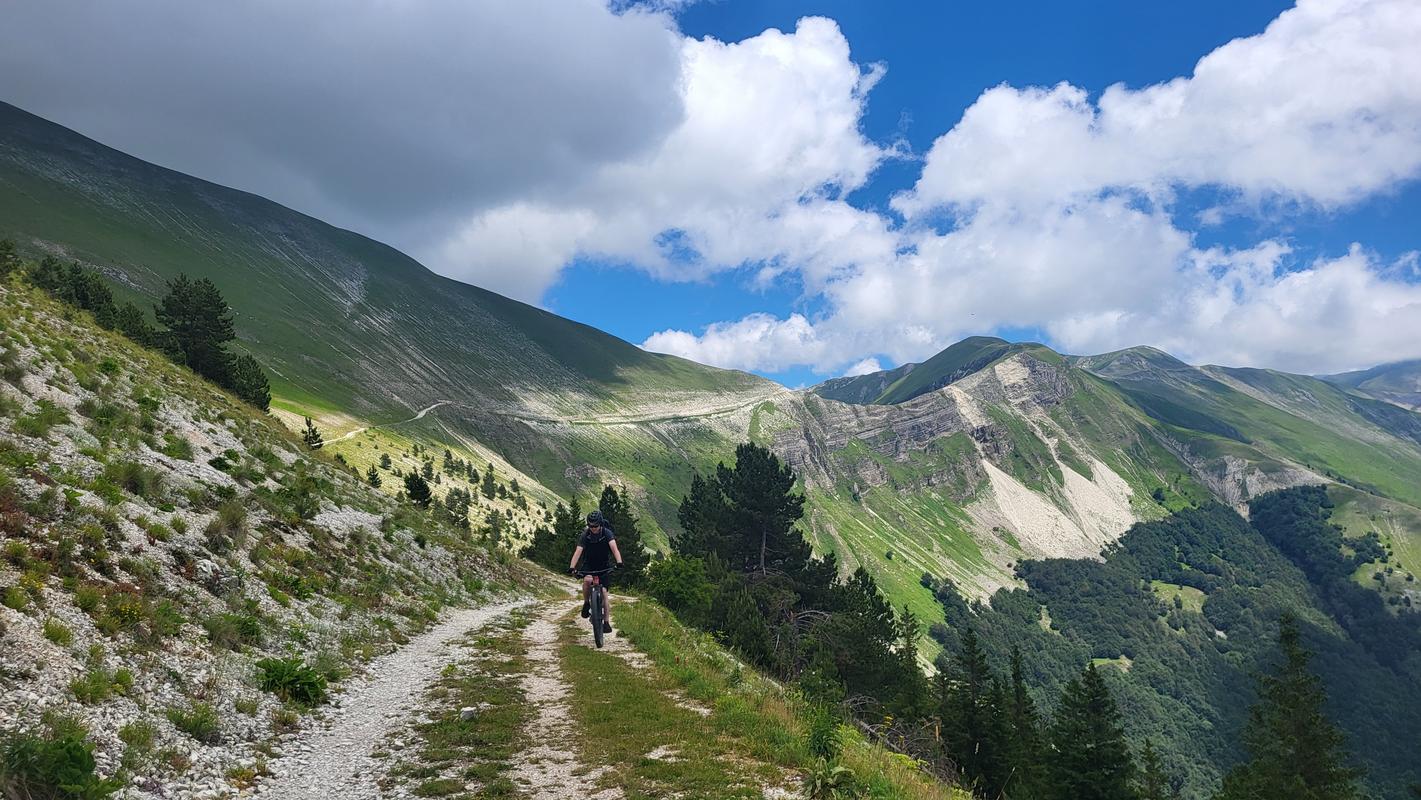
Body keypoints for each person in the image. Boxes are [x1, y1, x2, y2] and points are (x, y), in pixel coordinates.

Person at [569, 509, 623, 633]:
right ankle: (587, 602)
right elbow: (578, 551)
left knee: (604, 593)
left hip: (604, 564)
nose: (593, 528)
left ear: (600, 524)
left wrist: (619, 562)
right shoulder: (585, 535)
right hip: (589, 564)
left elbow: (614, 549)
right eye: (590, 526)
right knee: (587, 580)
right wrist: (572, 567)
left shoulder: (607, 533)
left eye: (595, 526)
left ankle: (606, 623)